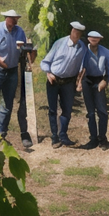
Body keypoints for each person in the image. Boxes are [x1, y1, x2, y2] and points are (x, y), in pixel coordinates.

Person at [0, 10, 34, 143]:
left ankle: (1, 132)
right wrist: (0, 60)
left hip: (12, 71)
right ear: (7, 19)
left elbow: (22, 49)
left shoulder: (19, 31)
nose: (16, 21)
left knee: (7, 104)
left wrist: (28, 49)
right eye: (14, 19)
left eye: (17, 19)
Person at [40, 20, 87, 148]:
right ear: (71, 31)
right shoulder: (59, 43)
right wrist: (48, 74)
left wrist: (79, 82)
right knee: (52, 109)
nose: (75, 34)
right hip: (54, 81)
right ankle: (55, 137)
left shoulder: (82, 48)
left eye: (78, 32)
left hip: (69, 82)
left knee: (67, 109)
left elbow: (83, 67)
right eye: (74, 31)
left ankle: (63, 135)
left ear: (81, 34)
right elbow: (45, 62)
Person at [77, 30, 109, 150]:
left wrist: (105, 81)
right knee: (90, 112)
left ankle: (102, 138)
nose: (94, 40)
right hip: (87, 81)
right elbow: (80, 68)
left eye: (96, 38)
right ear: (88, 38)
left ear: (100, 39)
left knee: (102, 110)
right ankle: (93, 138)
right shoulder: (83, 51)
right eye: (91, 38)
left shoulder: (106, 52)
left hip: (99, 80)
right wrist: (79, 83)